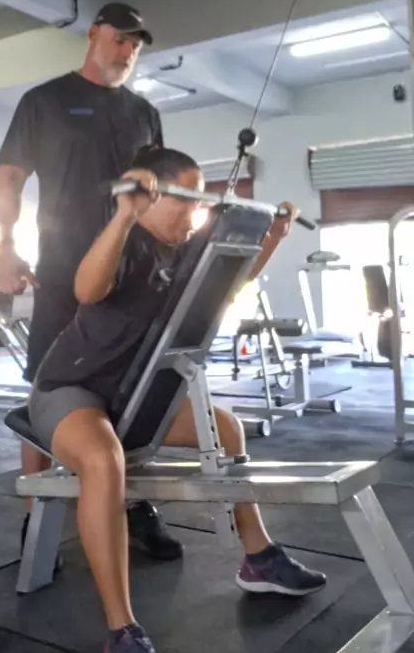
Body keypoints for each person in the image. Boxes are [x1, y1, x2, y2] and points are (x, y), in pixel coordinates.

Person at [28, 146, 327, 653]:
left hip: (133, 393)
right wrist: (124, 215)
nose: (196, 212)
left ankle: (258, 559)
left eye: (199, 201)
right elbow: (87, 289)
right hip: (71, 389)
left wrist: (273, 235)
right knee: (103, 460)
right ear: (151, 195)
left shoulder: (185, 250)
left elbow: (232, 281)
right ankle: (121, 629)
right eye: (185, 199)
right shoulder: (124, 239)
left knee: (226, 430)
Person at [0, 2, 182, 563]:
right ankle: (36, 518)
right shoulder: (44, 101)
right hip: (61, 270)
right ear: (94, 34)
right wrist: (5, 246)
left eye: (136, 46)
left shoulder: (145, 113)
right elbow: (9, 178)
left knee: (135, 388)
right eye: (120, 39)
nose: (128, 52)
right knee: (45, 388)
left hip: (133, 276)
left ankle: (134, 504)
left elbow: (162, 190)